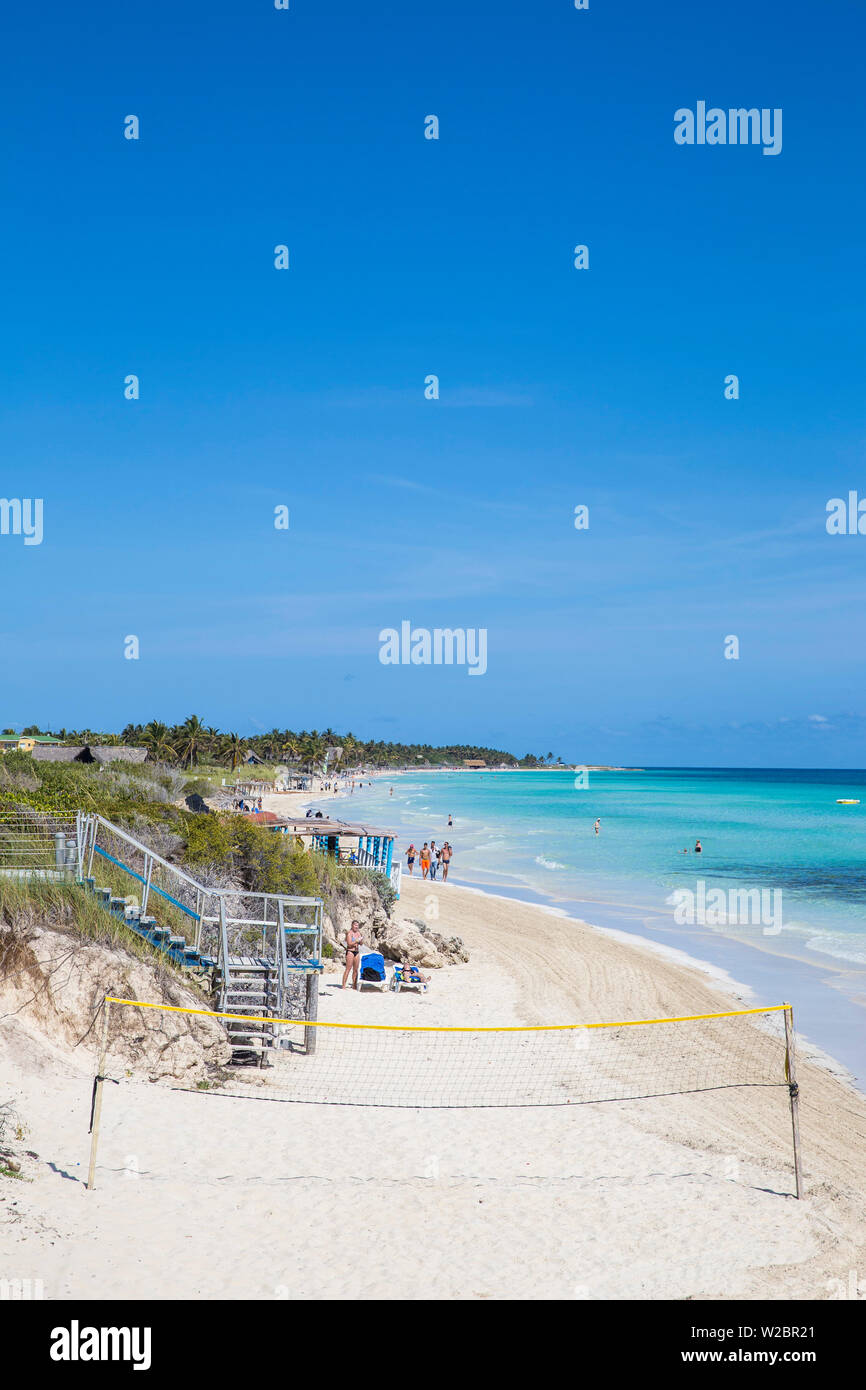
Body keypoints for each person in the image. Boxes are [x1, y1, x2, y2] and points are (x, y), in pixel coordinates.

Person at [342, 920, 363, 989]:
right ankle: (343, 985)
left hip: (356, 951)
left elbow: (361, 944)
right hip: (350, 951)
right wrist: (356, 941)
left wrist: (360, 941)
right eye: (355, 925)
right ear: (352, 925)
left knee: (355, 970)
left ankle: (354, 985)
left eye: (357, 925)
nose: (356, 927)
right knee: (348, 969)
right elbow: (349, 944)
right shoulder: (349, 933)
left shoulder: (358, 933)